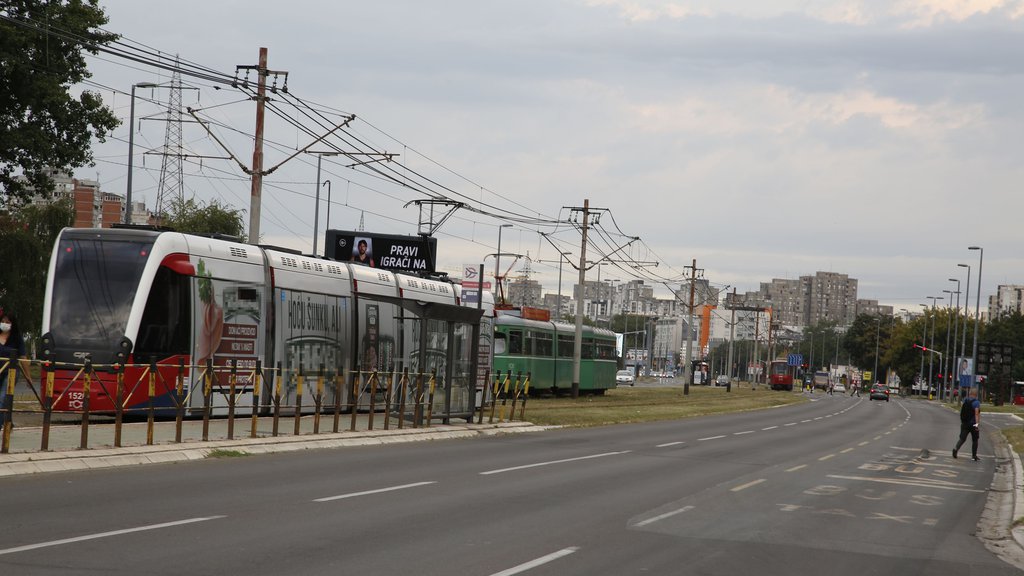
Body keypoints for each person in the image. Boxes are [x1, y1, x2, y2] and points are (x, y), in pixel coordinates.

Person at [0, 309, 26, 430]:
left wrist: (28, 376)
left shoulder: (16, 338)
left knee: (3, 398)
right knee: (6, 400)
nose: (5, 323)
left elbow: (23, 357)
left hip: (11, 372)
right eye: (3, 321)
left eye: (8, 322)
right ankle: (8, 421)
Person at [953, 387, 981, 461]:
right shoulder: (976, 403)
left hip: (965, 423)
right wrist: (977, 424)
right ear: (976, 394)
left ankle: (955, 449)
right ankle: (974, 455)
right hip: (973, 424)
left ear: (970, 393)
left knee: (962, 438)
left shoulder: (965, 400)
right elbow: (976, 414)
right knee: (975, 439)